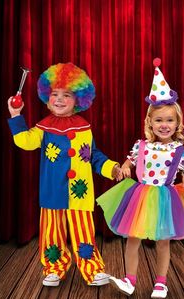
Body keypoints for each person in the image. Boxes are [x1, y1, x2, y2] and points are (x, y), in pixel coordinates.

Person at [97, 58, 184, 299]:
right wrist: (127, 167)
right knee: (133, 239)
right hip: (140, 196)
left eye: (169, 120)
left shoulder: (180, 149)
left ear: (177, 123)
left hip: (165, 198)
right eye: (159, 120)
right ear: (149, 122)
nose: (164, 125)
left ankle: (161, 282)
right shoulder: (142, 145)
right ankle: (130, 279)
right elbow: (131, 159)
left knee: (163, 241)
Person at [7, 62, 121, 287]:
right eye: (55, 94)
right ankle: (54, 267)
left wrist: (112, 168)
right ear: (47, 98)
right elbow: (25, 142)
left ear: (78, 100)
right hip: (52, 192)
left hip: (80, 192)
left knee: (84, 233)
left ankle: (92, 269)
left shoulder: (84, 127)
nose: (59, 99)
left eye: (66, 95)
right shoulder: (44, 127)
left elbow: (93, 156)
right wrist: (15, 115)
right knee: (52, 233)